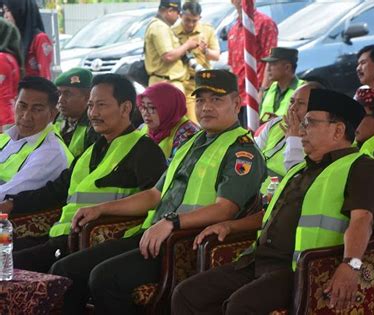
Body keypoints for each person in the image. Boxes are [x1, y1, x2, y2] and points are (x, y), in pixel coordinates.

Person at [48, 70, 266, 314]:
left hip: (185, 245)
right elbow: (155, 195)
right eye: (201, 100)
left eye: (216, 100)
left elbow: (226, 208)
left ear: (236, 103)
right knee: (66, 270)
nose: (206, 107)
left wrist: (172, 223)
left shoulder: (241, 151)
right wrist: (101, 209)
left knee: (105, 278)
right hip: (154, 235)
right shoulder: (192, 143)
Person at [171, 89, 374, 314]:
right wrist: (230, 225)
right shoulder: (300, 168)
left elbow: (362, 220)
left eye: (309, 123)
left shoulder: (363, 167)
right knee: (187, 294)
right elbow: (272, 213)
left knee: (240, 306)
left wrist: (351, 264)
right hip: (257, 260)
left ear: (338, 130)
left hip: (301, 271)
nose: (300, 130)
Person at [0, 74, 167, 262]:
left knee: (18, 264)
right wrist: (13, 203)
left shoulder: (145, 151)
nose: (93, 113)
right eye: (90, 105)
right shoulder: (92, 150)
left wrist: (102, 209)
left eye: (101, 105)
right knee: (6, 254)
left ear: (125, 108)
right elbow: (56, 190)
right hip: (62, 236)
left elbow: (156, 199)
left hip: (102, 241)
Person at [0, 76, 72, 202]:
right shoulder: (7, 136)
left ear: (53, 114)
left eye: (37, 109)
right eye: (22, 106)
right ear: (15, 102)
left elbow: (8, 193)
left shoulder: (50, 152)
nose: (26, 116)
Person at [255, 82, 321, 193]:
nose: (293, 108)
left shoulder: (320, 138)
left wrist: (294, 139)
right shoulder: (276, 124)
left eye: (301, 103)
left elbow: (298, 178)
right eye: (291, 102)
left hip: (282, 198)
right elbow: (252, 156)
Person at [172, 1, 220, 123]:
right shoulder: (172, 32)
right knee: (191, 122)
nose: (190, 24)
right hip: (184, 84)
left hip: (204, 82)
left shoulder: (207, 31)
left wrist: (206, 51)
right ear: (180, 15)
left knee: (208, 121)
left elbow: (216, 56)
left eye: (194, 20)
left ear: (200, 18)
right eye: (187, 20)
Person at [228, 0, 278, 105]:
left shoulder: (264, 23)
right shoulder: (233, 30)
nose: (243, 2)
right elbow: (232, 66)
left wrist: (263, 92)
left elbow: (271, 60)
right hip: (238, 97)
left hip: (256, 93)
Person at [137, 82, 199, 161]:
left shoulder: (188, 135)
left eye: (152, 107)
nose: (145, 113)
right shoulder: (143, 128)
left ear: (168, 108)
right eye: (143, 107)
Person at [144, 0, 197, 90]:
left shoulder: (161, 26)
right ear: (170, 11)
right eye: (178, 13)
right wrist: (187, 45)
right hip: (166, 83)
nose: (178, 17)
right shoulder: (160, 27)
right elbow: (168, 56)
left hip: (166, 82)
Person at [53, 68, 99, 158]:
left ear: (87, 97)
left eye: (68, 94)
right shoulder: (58, 117)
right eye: (59, 94)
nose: (60, 100)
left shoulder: (95, 125)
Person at [3, 0, 53, 79]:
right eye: (4, 11)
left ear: (22, 11)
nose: (5, 16)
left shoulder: (40, 39)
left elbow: (45, 78)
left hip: (34, 89)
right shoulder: (11, 39)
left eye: (9, 10)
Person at [259, 47, 305, 122]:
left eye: (273, 64)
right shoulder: (270, 90)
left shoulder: (303, 90)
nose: (268, 69)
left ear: (287, 67)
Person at [0, 18, 22, 131]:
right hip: (9, 116)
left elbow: (3, 95)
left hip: (4, 120)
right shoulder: (10, 58)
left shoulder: (1, 58)